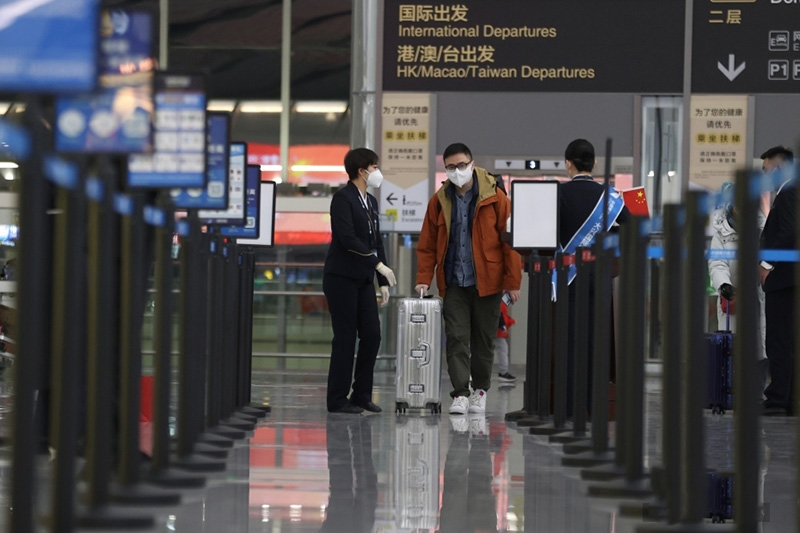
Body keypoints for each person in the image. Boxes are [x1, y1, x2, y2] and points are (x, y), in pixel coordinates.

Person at [415, 142, 522, 415]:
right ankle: (461, 393)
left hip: (488, 281)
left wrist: (512, 282)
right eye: (450, 167)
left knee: (484, 339)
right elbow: (427, 245)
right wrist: (424, 278)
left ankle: (481, 391)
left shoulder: (496, 198)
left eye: (461, 165)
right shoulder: (439, 200)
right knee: (456, 338)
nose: (456, 171)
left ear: (471, 164)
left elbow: (510, 244)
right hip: (453, 282)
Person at [558, 139, 629, 417]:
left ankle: (571, 405)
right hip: (600, 278)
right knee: (596, 341)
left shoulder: (558, 195)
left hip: (567, 280)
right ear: (595, 163)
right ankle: (594, 404)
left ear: (568, 164)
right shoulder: (610, 198)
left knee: (569, 341)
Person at [323, 148, 396, 414]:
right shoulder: (343, 199)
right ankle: (337, 399)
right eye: (374, 167)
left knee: (372, 335)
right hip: (341, 277)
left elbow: (376, 241)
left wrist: (382, 279)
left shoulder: (371, 203)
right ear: (361, 170)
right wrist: (376, 264)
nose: (377, 172)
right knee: (345, 337)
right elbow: (347, 238)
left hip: (363, 277)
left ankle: (362, 394)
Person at [707, 182, 768, 399]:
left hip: (760, 297)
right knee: (735, 348)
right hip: (734, 299)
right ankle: (734, 394)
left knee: (760, 349)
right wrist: (724, 286)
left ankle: (758, 395)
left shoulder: (763, 229)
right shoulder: (721, 235)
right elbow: (717, 264)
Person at [759, 146, 796, 416]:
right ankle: (787, 398)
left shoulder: (789, 192)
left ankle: (777, 400)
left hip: (784, 280)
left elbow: (790, 231)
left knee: (779, 340)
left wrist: (766, 264)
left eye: (766, 169)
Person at [493, 299, 517, 383]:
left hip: (494, 331)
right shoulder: (500, 302)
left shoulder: (500, 301)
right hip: (498, 332)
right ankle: (504, 372)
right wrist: (503, 325)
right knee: (503, 350)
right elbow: (500, 314)